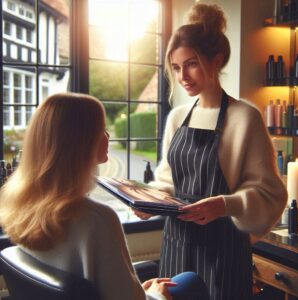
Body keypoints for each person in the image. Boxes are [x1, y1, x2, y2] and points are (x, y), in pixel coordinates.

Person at [135, 3, 288, 300]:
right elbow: (167, 182)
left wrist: (224, 204)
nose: (183, 77)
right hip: (176, 245)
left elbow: (270, 193)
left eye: (191, 64)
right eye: (176, 67)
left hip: (224, 251)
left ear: (216, 60)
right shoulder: (178, 117)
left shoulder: (245, 117)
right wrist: (148, 202)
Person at [0, 93, 208, 300]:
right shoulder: (98, 219)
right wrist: (155, 295)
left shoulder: (22, 203)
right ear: (81, 142)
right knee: (190, 281)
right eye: (101, 130)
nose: (108, 137)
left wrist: (137, 289)